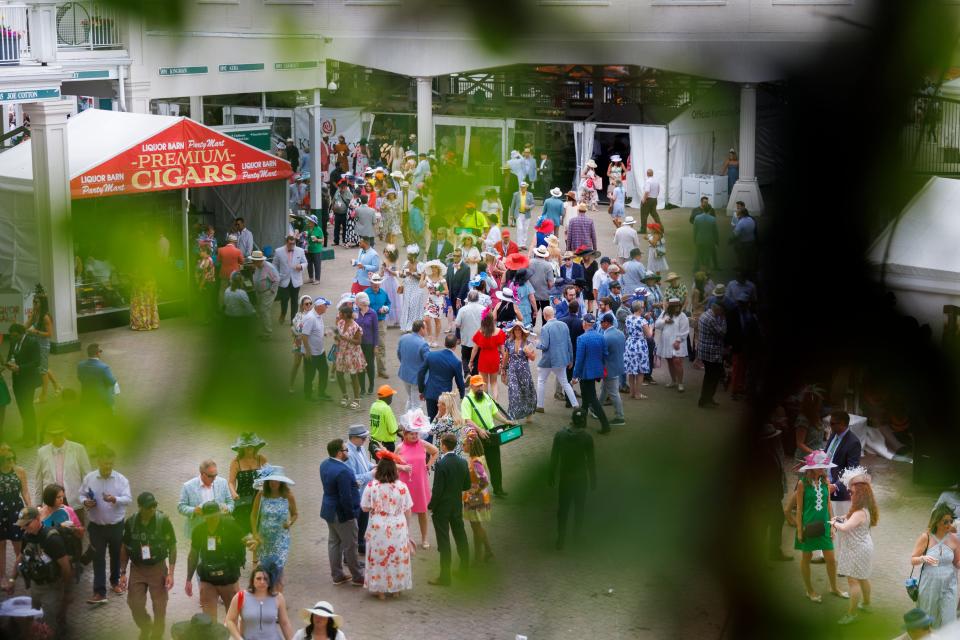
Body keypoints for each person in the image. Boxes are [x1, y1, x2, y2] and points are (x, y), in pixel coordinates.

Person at [789, 451, 846, 603]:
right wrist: (800, 530)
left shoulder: (825, 481)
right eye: (820, 467)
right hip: (807, 526)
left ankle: (834, 587)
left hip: (824, 526)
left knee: (831, 559)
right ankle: (809, 590)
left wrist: (833, 524)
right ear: (811, 467)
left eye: (824, 466)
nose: (823, 469)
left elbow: (828, 504)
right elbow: (799, 508)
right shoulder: (802, 484)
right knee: (806, 558)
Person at [5, 506, 73, 635]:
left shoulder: (51, 539)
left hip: (52, 588)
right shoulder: (27, 535)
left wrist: (67, 594)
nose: (23, 528)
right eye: (21, 525)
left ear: (37, 519)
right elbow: (20, 556)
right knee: (34, 622)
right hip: (35, 587)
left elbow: (66, 567)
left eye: (26, 524)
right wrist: (12, 579)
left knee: (49, 627)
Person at [119, 491, 177, 640]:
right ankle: (145, 626)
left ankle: (157, 635)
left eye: (154, 506)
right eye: (148, 507)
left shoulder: (163, 521)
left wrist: (170, 573)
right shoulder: (131, 523)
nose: (152, 509)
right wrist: (123, 572)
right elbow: (124, 547)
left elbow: (172, 546)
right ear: (140, 507)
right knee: (134, 604)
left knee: (159, 606)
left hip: (157, 567)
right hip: (138, 568)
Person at [79, 444, 132, 605]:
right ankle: (99, 592)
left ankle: (115, 582)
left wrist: (115, 499)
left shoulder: (121, 480)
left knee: (116, 555)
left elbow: (128, 499)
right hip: (96, 527)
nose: (107, 467)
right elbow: (81, 495)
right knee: (98, 558)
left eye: (110, 464)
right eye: (104, 464)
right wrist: (85, 502)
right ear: (99, 462)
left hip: (116, 526)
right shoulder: (89, 478)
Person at [359, 451, 414, 600]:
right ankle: (396, 589)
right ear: (394, 470)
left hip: (378, 526)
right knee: (397, 556)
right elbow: (408, 509)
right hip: (398, 525)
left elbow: (364, 507)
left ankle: (380, 590)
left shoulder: (371, 486)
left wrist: (376, 507)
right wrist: (407, 529)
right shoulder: (402, 487)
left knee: (378, 557)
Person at [829, 466, 877, 625]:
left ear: (860, 494)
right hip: (863, 547)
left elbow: (846, 527)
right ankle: (868, 604)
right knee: (863, 578)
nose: (850, 494)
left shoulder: (859, 513)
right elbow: (847, 518)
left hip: (857, 549)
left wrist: (835, 522)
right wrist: (840, 517)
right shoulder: (863, 509)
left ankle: (852, 614)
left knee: (853, 582)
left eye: (852, 492)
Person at [185, 502, 246, 622]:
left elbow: (242, 544)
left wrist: (237, 566)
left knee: (232, 616)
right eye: (209, 517)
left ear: (219, 513)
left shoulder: (231, 526)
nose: (212, 519)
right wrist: (188, 579)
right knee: (208, 620)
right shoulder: (198, 530)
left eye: (214, 515)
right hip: (207, 578)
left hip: (229, 578)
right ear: (204, 516)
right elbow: (193, 555)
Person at [549, 408, 596, 550]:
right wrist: (593, 479)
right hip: (581, 479)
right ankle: (577, 537)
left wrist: (551, 475)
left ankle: (560, 538)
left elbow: (554, 457)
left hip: (565, 478)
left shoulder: (560, 435)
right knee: (579, 509)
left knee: (563, 510)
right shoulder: (587, 438)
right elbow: (591, 461)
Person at [427, 433, 470, 586]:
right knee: (461, 536)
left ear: (444, 445)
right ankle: (465, 570)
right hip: (456, 506)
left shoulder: (441, 464)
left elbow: (437, 490)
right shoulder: (463, 462)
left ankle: (445, 577)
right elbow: (466, 486)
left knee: (444, 541)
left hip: (442, 509)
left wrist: (431, 506)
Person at [320, 439, 364, 586]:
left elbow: (333, 486)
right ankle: (357, 576)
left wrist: (352, 484)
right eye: (346, 450)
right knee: (351, 545)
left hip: (328, 510)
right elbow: (346, 497)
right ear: (339, 453)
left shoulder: (324, 464)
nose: (348, 452)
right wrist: (351, 516)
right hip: (342, 514)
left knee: (334, 543)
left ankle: (337, 575)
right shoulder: (344, 470)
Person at [911, 504, 960, 629]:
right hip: (929, 584)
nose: (949, 524)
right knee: (928, 618)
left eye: (951, 521)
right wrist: (923, 558)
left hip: (949, 584)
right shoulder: (925, 538)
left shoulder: (954, 539)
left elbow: (957, 562)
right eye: (945, 521)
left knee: (949, 618)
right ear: (937, 522)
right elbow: (913, 560)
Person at [396, 409, 439, 549]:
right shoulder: (399, 448)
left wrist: (428, 465)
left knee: (422, 512)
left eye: (416, 433)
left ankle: (425, 538)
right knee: (403, 513)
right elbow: (390, 463)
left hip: (420, 484)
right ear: (405, 435)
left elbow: (436, 452)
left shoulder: (422, 444)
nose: (415, 436)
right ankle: (405, 538)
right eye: (412, 434)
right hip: (404, 484)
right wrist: (401, 468)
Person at [250, 466, 297, 590]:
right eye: (271, 480)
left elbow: (295, 514)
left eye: (276, 480)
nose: (273, 483)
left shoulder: (288, 495)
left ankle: (278, 599)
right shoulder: (261, 494)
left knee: (278, 569)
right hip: (264, 539)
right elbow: (253, 516)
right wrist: (255, 534)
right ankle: (266, 594)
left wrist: (290, 522)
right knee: (265, 569)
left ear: (281, 481)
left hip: (280, 540)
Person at [461, 376, 509, 497]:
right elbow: (467, 420)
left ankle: (498, 489)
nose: (480, 388)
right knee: (478, 465)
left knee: (495, 463)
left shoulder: (486, 396)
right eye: (477, 386)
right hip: (477, 438)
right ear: (471, 386)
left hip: (491, 435)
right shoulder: (467, 400)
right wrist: (479, 430)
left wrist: (506, 421)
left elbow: (495, 412)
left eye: (481, 385)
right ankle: (479, 491)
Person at [34, 421, 91, 512]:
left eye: (60, 433)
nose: (57, 437)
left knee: (77, 525)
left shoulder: (78, 449)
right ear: (49, 435)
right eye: (54, 434)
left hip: (74, 500)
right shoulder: (41, 452)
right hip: (51, 501)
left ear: (65, 432)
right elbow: (38, 479)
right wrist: (38, 503)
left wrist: (88, 496)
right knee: (52, 526)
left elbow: (87, 475)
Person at [224, 566, 294, 639]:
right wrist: (239, 638)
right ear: (252, 580)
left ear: (270, 581)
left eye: (265, 579)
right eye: (258, 578)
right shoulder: (241, 596)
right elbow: (229, 620)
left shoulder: (278, 597)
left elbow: (284, 623)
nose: (262, 582)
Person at [756, 424, 791, 562]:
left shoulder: (770, 451)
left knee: (777, 521)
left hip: (774, 498)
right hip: (765, 500)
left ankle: (774, 551)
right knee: (763, 527)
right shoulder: (760, 456)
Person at [571, 314, 611, 435]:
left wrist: (574, 375)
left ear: (585, 324)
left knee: (592, 399)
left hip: (585, 373)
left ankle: (605, 425)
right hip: (596, 371)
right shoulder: (601, 336)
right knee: (585, 397)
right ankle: (581, 423)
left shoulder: (582, 338)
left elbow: (579, 359)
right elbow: (605, 354)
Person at [535, 307, 578, 413]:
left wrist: (537, 344)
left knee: (541, 381)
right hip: (562, 359)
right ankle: (575, 404)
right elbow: (569, 344)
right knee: (565, 382)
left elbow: (544, 346)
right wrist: (571, 359)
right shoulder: (564, 325)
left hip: (548, 360)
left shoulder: (545, 327)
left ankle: (540, 405)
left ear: (544, 315)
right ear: (553, 314)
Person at [4, 324, 41, 445]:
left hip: (28, 381)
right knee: (22, 408)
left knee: (28, 408)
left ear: (21, 333)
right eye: (11, 336)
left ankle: (32, 437)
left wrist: (20, 368)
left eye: (15, 336)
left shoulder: (32, 343)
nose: (13, 338)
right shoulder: (14, 342)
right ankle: (25, 434)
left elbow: (36, 362)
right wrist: (9, 364)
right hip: (17, 381)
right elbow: (10, 355)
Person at [178, 459, 235, 537]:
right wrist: (194, 510)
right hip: (198, 529)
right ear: (202, 474)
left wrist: (228, 509)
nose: (214, 478)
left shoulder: (223, 482)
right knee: (199, 549)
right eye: (211, 476)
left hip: (219, 528)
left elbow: (230, 502)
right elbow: (181, 507)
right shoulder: (188, 486)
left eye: (216, 475)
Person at [227, 433, 268, 540]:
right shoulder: (236, 462)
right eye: (246, 446)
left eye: (251, 445)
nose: (249, 448)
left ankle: (257, 556)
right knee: (243, 535)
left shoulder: (261, 459)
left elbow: (271, 476)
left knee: (259, 535)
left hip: (260, 499)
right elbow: (231, 482)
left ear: (256, 446)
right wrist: (233, 493)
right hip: (243, 501)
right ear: (242, 448)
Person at [26, 287, 63, 403]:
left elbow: (49, 334)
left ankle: (43, 396)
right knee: (44, 368)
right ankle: (57, 386)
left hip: (43, 345)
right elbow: (26, 326)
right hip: (36, 344)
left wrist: (35, 332)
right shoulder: (35, 314)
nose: (34, 304)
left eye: (36, 302)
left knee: (42, 370)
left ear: (42, 303)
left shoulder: (45, 317)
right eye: (33, 301)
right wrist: (22, 326)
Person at [418, 334, 466, 421]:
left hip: (430, 393)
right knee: (445, 421)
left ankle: (430, 435)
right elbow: (459, 382)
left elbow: (421, 373)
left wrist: (422, 390)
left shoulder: (431, 355)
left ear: (444, 343)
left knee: (432, 420)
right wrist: (462, 396)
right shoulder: (456, 362)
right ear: (455, 345)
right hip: (445, 397)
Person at [0, 443, 29, 584]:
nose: (11, 461)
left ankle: (19, 569)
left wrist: (30, 507)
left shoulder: (20, 471)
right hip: (0, 511)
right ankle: (2, 576)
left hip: (16, 510)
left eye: (13, 458)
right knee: (1, 544)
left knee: (18, 542)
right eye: (7, 459)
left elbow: (25, 491)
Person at [502, 321, 537, 422]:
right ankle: (513, 415)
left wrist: (528, 353)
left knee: (526, 391)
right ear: (512, 331)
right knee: (513, 392)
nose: (517, 331)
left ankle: (529, 413)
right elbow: (506, 356)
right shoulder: (508, 342)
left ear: (522, 331)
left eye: (519, 329)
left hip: (524, 371)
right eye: (515, 329)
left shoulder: (528, 343)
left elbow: (533, 358)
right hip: (512, 370)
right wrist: (503, 369)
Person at [333, 302, 365, 410]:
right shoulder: (341, 323)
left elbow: (359, 341)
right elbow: (338, 336)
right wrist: (336, 338)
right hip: (342, 352)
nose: (339, 314)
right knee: (339, 373)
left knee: (353, 375)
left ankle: (357, 399)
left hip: (352, 354)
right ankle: (345, 395)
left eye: (341, 313)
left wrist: (347, 339)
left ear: (346, 314)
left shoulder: (355, 326)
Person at [301, 297, 332, 402]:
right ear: (319, 306)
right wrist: (308, 351)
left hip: (320, 351)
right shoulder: (311, 318)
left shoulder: (318, 315)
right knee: (310, 375)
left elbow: (315, 331)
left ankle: (321, 392)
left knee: (324, 371)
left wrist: (323, 333)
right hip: (311, 353)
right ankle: (308, 395)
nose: (327, 307)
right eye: (325, 305)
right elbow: (304, 335)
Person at [597, 313, 626, 427]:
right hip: (618, 366)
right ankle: (596, 409)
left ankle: (620, 417)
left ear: (606, 323)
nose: (600, 324)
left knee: (613, 393)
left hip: (609, 369)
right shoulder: (621, 333)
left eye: (601, 322)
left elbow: (602, 355)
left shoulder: (605, 337)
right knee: (604, 389)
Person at [655, 298, 689, 392]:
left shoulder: (682, 316)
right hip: (666, 342)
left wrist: (678, 340)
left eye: (678, 306)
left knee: (677, 361)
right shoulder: (664, 314)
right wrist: (664, 321)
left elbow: (685, 330)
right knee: (670, 361)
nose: (678, 308)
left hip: (677, 343)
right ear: (671, 307)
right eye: (675, 306)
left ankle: (680, 383)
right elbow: (657, 325)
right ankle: (673, 381)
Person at [470, 313, 507, 401]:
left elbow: (474, 350)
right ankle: (495, 401)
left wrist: (471, 361)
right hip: (494, 357)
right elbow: (503, 350)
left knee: (484, 383)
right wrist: (504, 363)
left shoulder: (480, 332)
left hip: (483, 358)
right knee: (494, 382)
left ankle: (486, 402)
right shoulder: (499, 331)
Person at [273, 235, 309, 325]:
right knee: (284, 300)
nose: (292, 245)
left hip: (296, 280)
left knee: (294, 300)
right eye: (290, 243)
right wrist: (277, 276)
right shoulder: (278, 251)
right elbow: (274, 265)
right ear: (286, 242)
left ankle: (293, 319)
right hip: (283, 280)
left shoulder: (300, 251)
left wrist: (301, 266)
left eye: (294, 243)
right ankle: (283, 314)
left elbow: (305, 262)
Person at [77, 342, 119, 417]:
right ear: (97, 353)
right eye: (100, 351)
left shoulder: (80, 365)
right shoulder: (104, 367)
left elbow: (80, 378)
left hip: (87, 397)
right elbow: (111, 382)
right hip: (102, 400)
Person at [697, 303, 727, 408]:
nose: (722, 313)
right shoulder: (712, 319)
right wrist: (723, 320)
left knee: (709, 376)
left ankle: (706, 399)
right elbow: (722, 332)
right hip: (711, 352)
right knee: (712, 377)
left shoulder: (704, 315)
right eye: (721, 311)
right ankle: (705, 400)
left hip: (705, 350)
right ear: (718, 309)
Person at [396, 320, 430, 412]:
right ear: (421, 329)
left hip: (404, 374)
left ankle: (406, 421)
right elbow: (428, 362)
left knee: (411, 399)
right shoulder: (423, 344)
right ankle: (414, 424)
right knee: (417, 405)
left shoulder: (403, 338)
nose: (427, 330)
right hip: (417, 380)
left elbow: (399, 354)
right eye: (425, 328)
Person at [624, 301, 653, 400]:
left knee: (631, 370)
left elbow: (627, 331)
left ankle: (632, 392)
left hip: (630, 343)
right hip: (640, 345)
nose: (644, 309)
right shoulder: (643, 321)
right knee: (640, 371)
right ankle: (637, 393)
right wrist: (651, 326)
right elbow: (649, 336)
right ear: (640, 309)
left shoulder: (628, 318)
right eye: (643, 307)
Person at [364, 275, 391, 379]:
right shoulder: (365, 294)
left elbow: (388, 303)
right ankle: (367, 368)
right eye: (374, 283)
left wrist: (386, 308)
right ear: (370, 283)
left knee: (381, 346)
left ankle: (381, 370)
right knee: (367, 346)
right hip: (368, 323)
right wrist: (374, 312)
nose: (376, 285)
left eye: (378, 283)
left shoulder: (383, 293)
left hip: (380, 322)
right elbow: (361, 306)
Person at [455, 290, 485, 378]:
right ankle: (474, 376)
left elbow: (457, 324)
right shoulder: (484, 309)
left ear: (468, 299)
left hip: (466, 338)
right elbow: (488, 323)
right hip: (479, 339)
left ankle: (467, 373)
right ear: (478, 298)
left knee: (465, 357)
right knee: (477, 359)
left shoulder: (463, 309)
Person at [250, 251, 280, 338]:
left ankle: (268, 332)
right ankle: (264, 331)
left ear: (259, 261)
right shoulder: (257, 266)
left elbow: (277, 279)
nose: (253, 262)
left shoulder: (269, 267)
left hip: (267, 292)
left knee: (264, 311)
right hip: (259, 292)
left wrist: (271, 291)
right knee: (262, 311)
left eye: (254, 261)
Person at [354, 292, 379, 394]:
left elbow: (376, 330)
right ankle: (362, 388)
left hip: (369, 344)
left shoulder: (372, 313)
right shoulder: (356, 313)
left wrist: (376, 345)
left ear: (361, 302)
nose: (356, 304)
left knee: (370, 365)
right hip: (359, 344)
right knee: (360, 365)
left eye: (357, 302)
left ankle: (371, 385)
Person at [398, 246, 425, 332]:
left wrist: (412, 273)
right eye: (408, 255)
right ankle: (405, 326)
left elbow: (422, 277)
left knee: (414, 305)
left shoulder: (420, 265)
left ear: (414, 255)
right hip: (407, 286)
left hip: (417, 287)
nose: (408, 256)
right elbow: (402, 274)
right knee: (407, 306)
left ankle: (413, 326)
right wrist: (402, 274)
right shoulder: (406, 263)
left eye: (410, 255)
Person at [420, 260, 447, 348]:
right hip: (430, 300)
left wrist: (440, 292)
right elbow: (421, 285)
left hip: (439, 301)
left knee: (437, 320)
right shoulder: (428, 277)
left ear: (438, 268)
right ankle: (430, 338)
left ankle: (435, 340)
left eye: (435, 267)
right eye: (432, 267)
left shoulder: (442, 279)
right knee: (426, 319)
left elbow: (447, 291)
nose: (433, 269)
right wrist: (422, 276)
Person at [368, 385, 399, 453]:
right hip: (386, 446)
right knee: (387, 463)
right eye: (391, 396)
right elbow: (393, 430)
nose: (392, 398)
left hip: (374, 444)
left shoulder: (373, 405)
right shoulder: (386, 408)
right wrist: (401, 428)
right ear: (388, 397)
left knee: (379, 463)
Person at [692, 198, 719, 273]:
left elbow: (695, 230)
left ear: (703, 209)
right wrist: (717, 241)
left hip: (699, 240)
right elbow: (715, 232)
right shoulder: (713, 219)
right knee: (708, 256)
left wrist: (694, 239)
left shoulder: (697, 218)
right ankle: (707, 271)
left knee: (698, 255)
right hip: (709, 241)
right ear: (709, 210)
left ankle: (696, 269)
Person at [217, 234, 245, 304]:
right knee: (235, 290)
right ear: (235, 242)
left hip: (224, 273)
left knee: (222, 291)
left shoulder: (220, 250)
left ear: (227, 241)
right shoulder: (238, 251)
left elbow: (219, 261)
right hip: (235, 275)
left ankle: (221, 306)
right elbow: (242, 262)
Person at [509, 182, 536, 249]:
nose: (523, 188)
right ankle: (519, 244)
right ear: (520, 187)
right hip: (518, 214)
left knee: (525, 229)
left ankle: (523, 244)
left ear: (526, 187)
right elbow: (513, 205)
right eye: (521, 187)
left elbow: (533, 204)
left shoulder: (530, 194)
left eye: (524, 187)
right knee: (520, 228)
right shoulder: (516, 194)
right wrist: (511, 215)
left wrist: (529, 207)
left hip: (527, 214)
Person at [639, 168, 662, 234]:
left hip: (648, 199)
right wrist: (655, 196)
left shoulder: (648, 181)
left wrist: (644, 199)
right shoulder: (656, 181)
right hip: (654, 199)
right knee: (655, 214)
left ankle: (643, 229)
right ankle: (661, 228)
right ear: (653, 174)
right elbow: (658, 190)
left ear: (647, 174)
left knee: (644, 215)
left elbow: (647, 191)